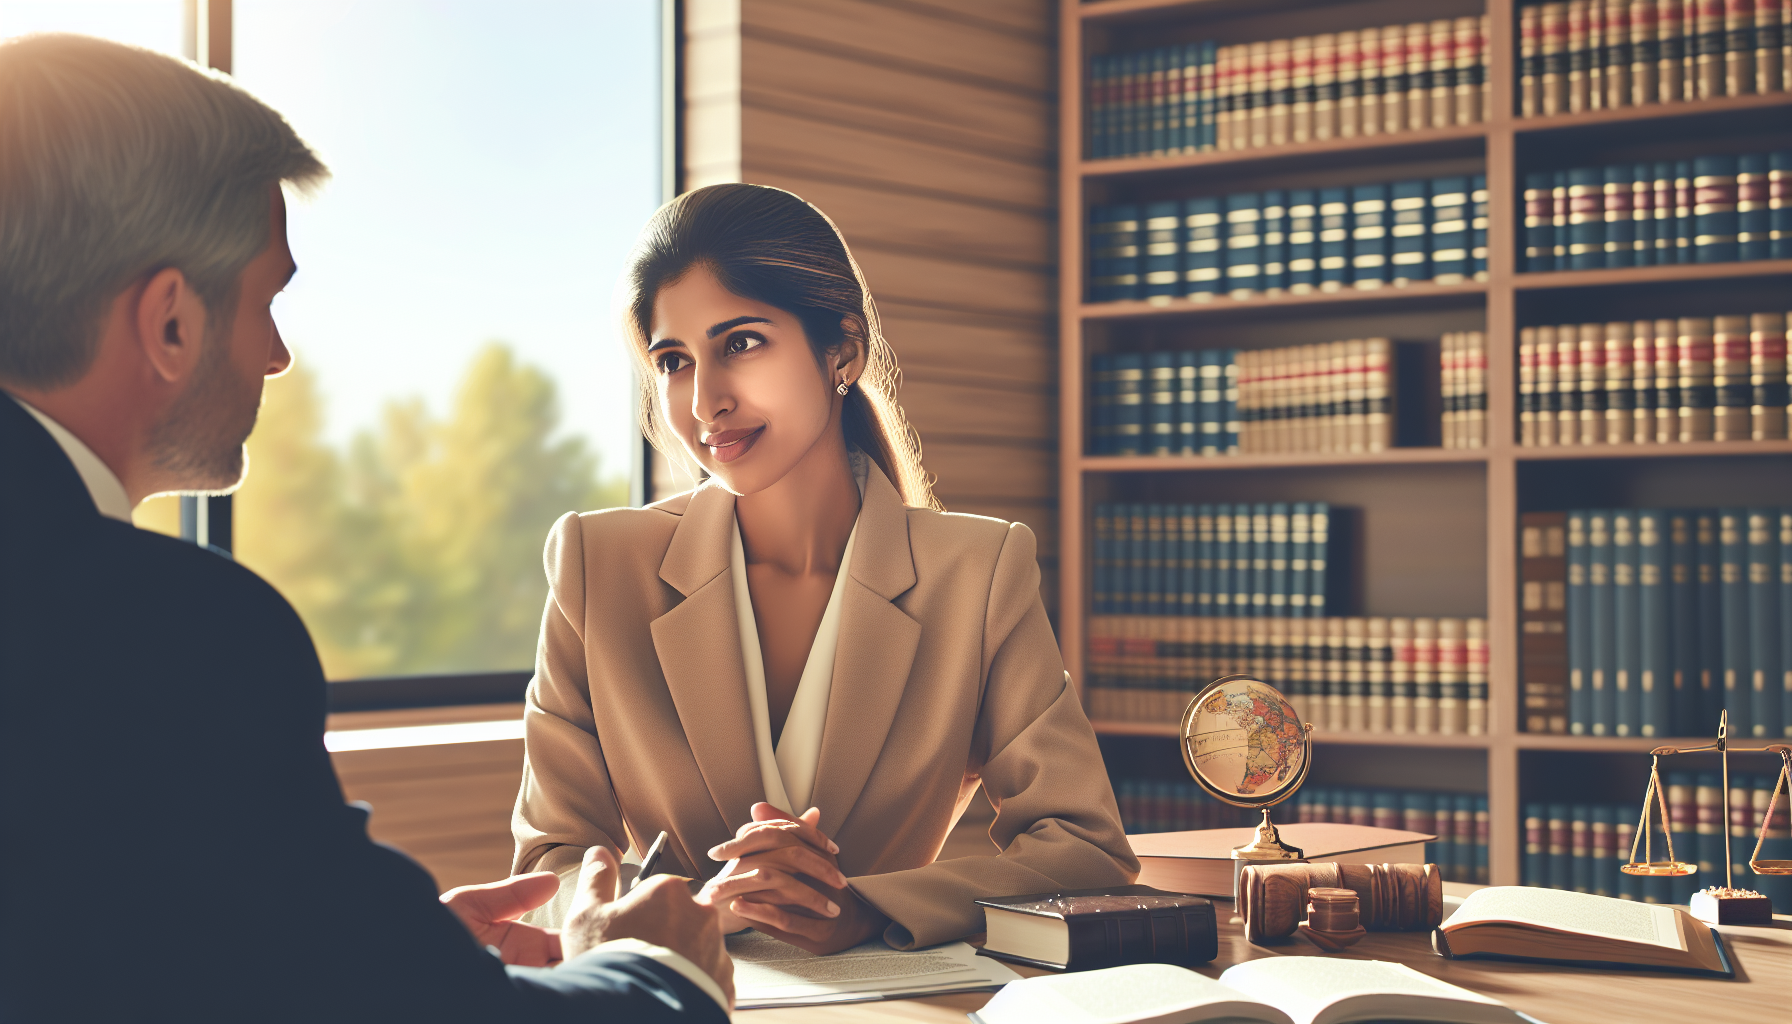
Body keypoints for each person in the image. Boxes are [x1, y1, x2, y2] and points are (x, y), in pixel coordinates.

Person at [0, 34, 729, 1022]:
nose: (276, 355)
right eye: (267, 300)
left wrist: (353, 942)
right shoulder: (168, 629)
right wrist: (657, 969)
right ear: (170, 322)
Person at [512, 182, 1138, 955]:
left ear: (842, 350)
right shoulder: (593, 565)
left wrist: (869, 906)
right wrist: (706, 904)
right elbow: (549, 868)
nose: (706, 401)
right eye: (674, 361)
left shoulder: (978, 574)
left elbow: (1085, 851)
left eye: (740, 343)